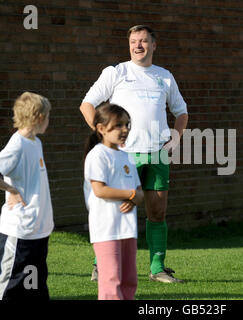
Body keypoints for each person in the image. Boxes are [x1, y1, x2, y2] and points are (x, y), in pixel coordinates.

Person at [80, 25, 188, 283]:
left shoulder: (165, 76)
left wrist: (175, 138)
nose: (138, 45)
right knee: (117, 209)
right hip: (125, 155)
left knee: (157, 212)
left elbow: (181, 112)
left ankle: (158, 268)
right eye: (133, 41)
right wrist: (104, 136)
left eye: (143, 41)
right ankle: (101, 264)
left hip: (159, 154)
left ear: (154, 45)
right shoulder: (116, 72)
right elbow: (87, 104)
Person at [83, 102, 143, 300]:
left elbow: (140, 193)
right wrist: (129, 195)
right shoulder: (97, 155)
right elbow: (99, 190)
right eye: (118, 125)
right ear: (101, 128)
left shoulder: (127, 157)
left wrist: (134, 199)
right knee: (111, 280)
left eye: (127, 125)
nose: (124, 130)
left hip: (128, 228)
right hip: (106, 228)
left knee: (129, 280)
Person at [0, 91, 54, 300]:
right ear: (40, 117)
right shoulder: (17, 145)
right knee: (11, 288)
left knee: (35, 287)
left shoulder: (35, 143)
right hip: (19, 232)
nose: (49, 120)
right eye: (48, 116)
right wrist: (11, 190)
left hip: (38, 232)